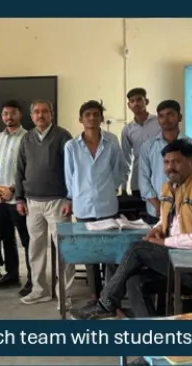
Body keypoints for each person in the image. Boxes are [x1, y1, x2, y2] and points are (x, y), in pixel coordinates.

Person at [70, 139, 192, 320]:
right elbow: (168, 219)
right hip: (183, 262)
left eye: (176, 162)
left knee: (138, 248)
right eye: (166, 162)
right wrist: (157, 229)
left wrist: (164, 242)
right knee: (135, 281)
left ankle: (106, 303)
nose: (170, 167)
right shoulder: (171, 187)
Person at [63, 100, 126, 295]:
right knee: (90, 255)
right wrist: (72, 198)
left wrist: (112, 187)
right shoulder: (71, 146)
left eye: (96, 114)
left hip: (108, 205)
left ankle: (111, 295)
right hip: (83, 207)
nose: (92, 118)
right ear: (81, 119)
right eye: (88, 114)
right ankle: (95, 295)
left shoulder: (112, 140)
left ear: (101, 118)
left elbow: (120, 168)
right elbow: (69, 175)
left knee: (110, 254)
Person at [13, 99, 72, 305]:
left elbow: (71, 170)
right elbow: (19, 169)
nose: (40, 115)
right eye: (36, 112)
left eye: (44, 111)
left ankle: (64, 294)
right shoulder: (26, 138)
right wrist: (19, 198)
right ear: (31, 116)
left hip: (58, 201)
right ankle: (40, 290)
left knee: (64, 248)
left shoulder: (63, 136)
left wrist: (70, 198)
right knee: (35, 248)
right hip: (32, 202)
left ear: (51, 114)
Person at [0, 100, 29, 292]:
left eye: (12, 113)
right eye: (5, 114)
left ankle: (34, 279)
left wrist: (13, 189)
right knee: (6, 238)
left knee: (27, 240)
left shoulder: (28, 137)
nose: (8, 117)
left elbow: (30, 169)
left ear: (20, 115)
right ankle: (12, 275)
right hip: (0, 200)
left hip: (19, 198)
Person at [138, 100, 192, 224]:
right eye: (161, 116)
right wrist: (158, 205)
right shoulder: (148, 146)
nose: (165, 119)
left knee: (183, 243)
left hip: (185, 209)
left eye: (170, 114)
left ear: (179, 117)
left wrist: (180, 203)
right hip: (156, 210)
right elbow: (143, 178)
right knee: (156, 242)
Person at [120, 87, 160, 197]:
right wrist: (123, 187)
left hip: (160, 179)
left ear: (146, 102)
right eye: (132, 101)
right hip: (138, 182)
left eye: (139, 100)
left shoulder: (159, 122)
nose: (136, 104)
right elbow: (125, 159)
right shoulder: (127, 130)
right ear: (129, 105)